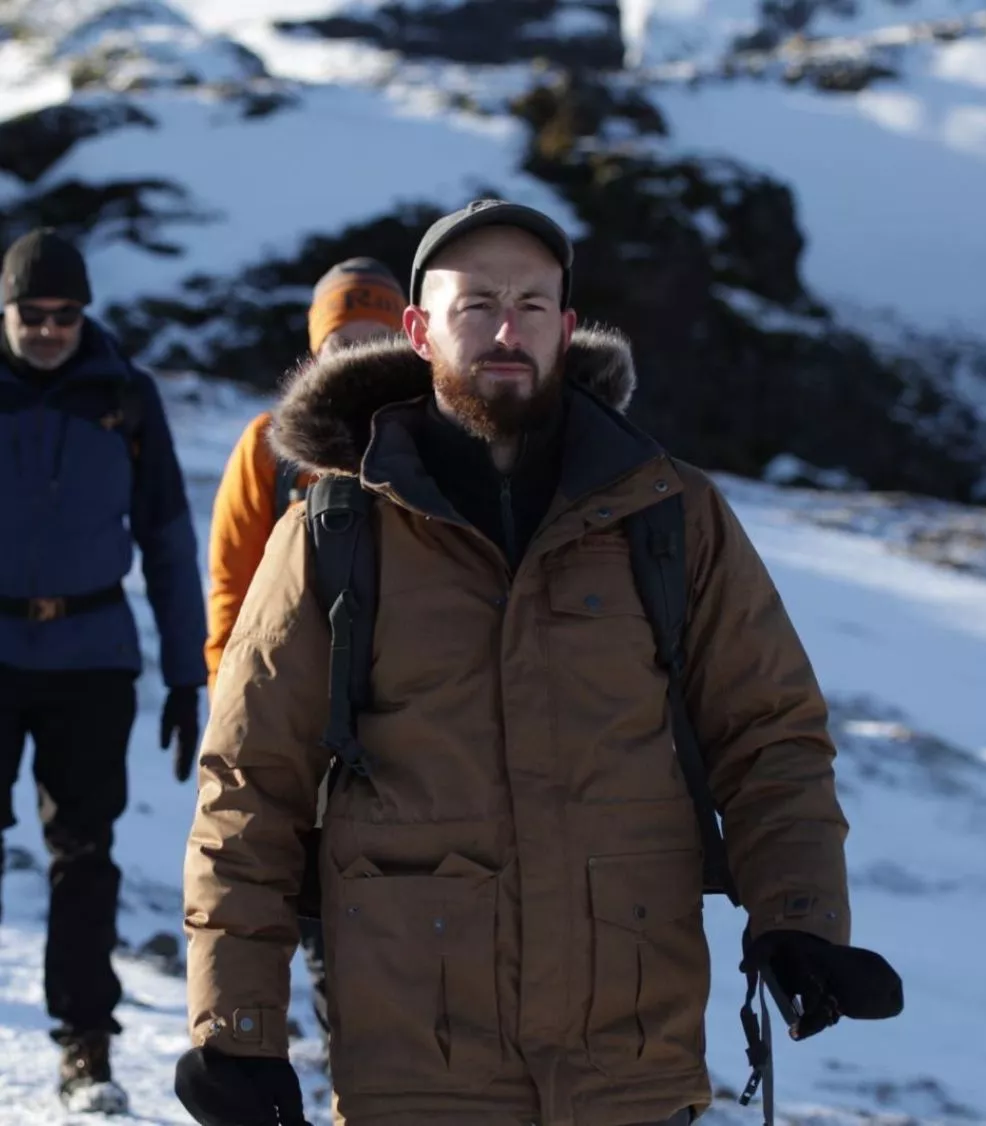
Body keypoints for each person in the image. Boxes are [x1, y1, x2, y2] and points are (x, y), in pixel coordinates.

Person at [175, 200, 901, 1126]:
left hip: (630, 1069)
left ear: (566, 325)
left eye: (530, 304)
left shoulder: (669, 515)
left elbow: (771, 733)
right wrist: (237, 1027)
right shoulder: (333, 533)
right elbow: (250, 783)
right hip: (418, 1075)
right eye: (476, 305)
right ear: (418, 330)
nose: (506, 330)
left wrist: (798, 916)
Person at [0, 228, 206, 1114]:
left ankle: (86, 1047)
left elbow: (167, 537)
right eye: (33, 314)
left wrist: (186, 674)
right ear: (6, 310)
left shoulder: (125, 395)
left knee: (85, 857)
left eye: (66, 314)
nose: (50, 330)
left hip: (91, 656)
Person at [203, 256, 407, 1049]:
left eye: (375, 339)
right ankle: (353, 1065)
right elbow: (231, 587)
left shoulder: (435, 441)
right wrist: (235, 705)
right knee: (323, 917)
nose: (357, 357)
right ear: (316, 348)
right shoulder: (270, 447)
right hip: (304, 724)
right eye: (342, 341)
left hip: (412, 718)